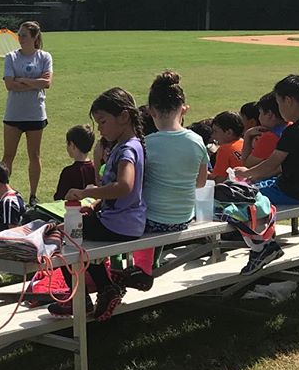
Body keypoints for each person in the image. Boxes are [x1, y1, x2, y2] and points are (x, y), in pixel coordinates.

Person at [50, 87, 146, 322]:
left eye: (102, 122)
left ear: (123, 117)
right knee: (76, 233)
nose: (100, 128)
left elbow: (125, 186)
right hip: (122, 221)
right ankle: (102, 289)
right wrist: (95, 204)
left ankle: (84, 297)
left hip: (119, 224)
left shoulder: (127, 149)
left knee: (62, 237)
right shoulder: (126, 146)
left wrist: (86, 192)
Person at [118, 72, 209, 291]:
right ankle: (146, 266)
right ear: (183, 109)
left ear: (151, 111)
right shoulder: (197, 141)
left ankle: (135, 269)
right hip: (183, 217)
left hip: (151, 220)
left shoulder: (145, 144)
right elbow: (200, 183)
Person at [234, 75, 299, 272]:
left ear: (288, 101)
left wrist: (246, 174)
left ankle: (263, 247)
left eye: (278, 102)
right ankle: (264, 243)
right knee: (247, 191)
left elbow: (271, 164)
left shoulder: (296, 130)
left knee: (237, 199)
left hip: (290, 191)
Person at [1, 21, 53, 207]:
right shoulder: (11, 57)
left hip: (35, 114)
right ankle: (2, 193)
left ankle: (33, 195)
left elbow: (47, 83)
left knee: (34, 155)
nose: (20, 38)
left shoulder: (44, 57)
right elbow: (9, 85)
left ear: (34, 37)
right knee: (8, 156)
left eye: (24, 35)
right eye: (19, 34)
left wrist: (22, 80)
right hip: (14, 114)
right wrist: (33, 82)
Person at [241, 92, 288, 170]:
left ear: (269, 114)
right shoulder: (292, 125)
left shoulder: (270, 137)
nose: (259, 118)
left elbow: (247, 164)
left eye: (260, 113)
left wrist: (247, 135)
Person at [53, 124, 96, 201]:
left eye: (67, 143)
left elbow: (59, 199)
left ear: (72, 145)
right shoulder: (96, 168)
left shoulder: (68, 172)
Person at [208, 111, 244, 183]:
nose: (213, 136)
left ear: (229, 133)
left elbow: (219, 179)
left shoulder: (224, 149)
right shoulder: (244, 142)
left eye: (215, 131)